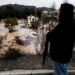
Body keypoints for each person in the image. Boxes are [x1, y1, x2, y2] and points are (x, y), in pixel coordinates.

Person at [43, 3, 75, 75]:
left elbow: (50, 36)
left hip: (60, 56)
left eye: (60, 10)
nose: (58, 11)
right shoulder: (72, 23)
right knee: (64, 71)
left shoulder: (63, 25)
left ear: (64, 12)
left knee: (60, 73)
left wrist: (48, 32)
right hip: (66, 55)